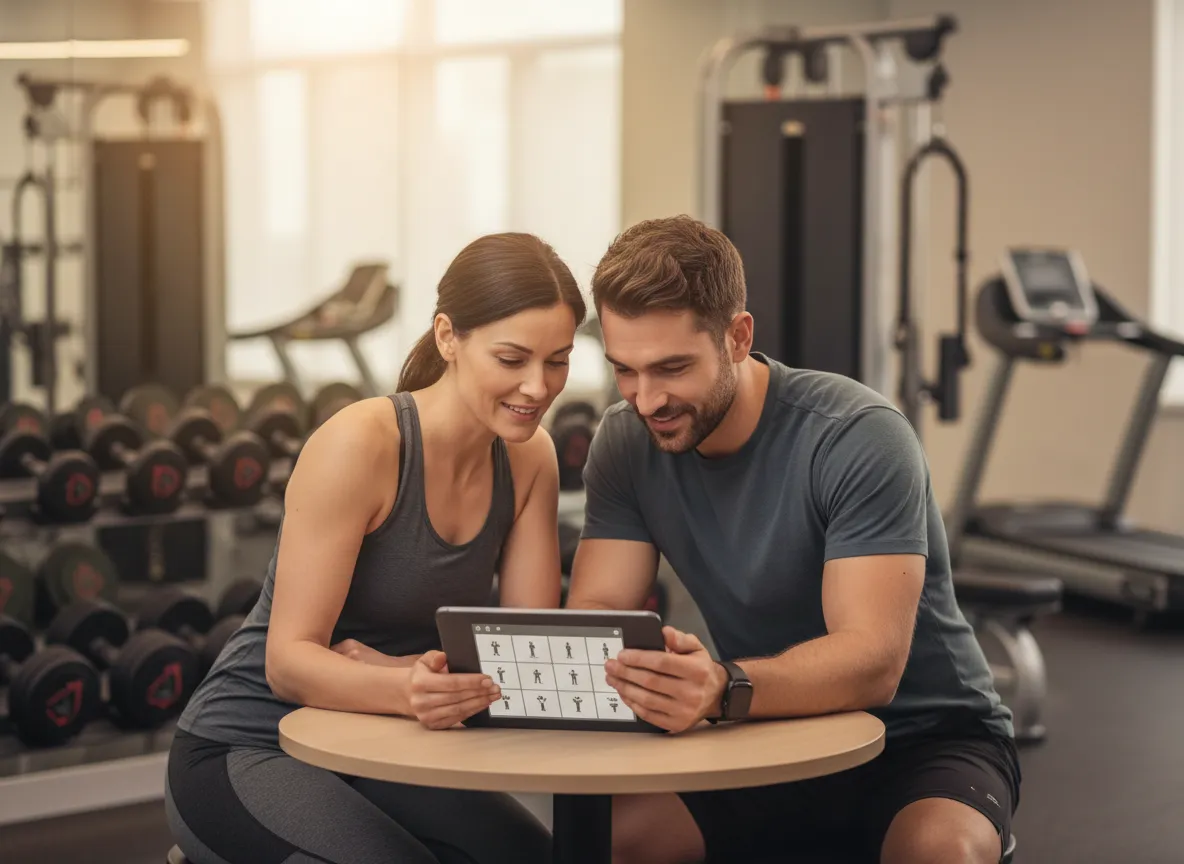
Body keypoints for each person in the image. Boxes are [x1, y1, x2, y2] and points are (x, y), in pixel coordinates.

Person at [566, 215, 1021, 864]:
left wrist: (720, 687)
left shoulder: (856, 435)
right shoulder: (625, 442)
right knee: (607, 843)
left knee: (938, 854)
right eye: (626, 371)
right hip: (767, 730)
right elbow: (600, 614)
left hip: (922, 739)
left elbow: (871, 661)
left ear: (738, 337)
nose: (646, 399)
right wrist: (646, 666)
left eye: (672, 367)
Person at [166, 232, 585, 864]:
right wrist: (401, 685)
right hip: (250, 742)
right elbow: (288, 665)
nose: (537, 386)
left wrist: (391, 672)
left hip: (386, 744)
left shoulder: (530, 460)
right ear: (449, 337)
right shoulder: (360, 444)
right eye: (512, 358)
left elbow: (519, 660)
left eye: (558, 360)